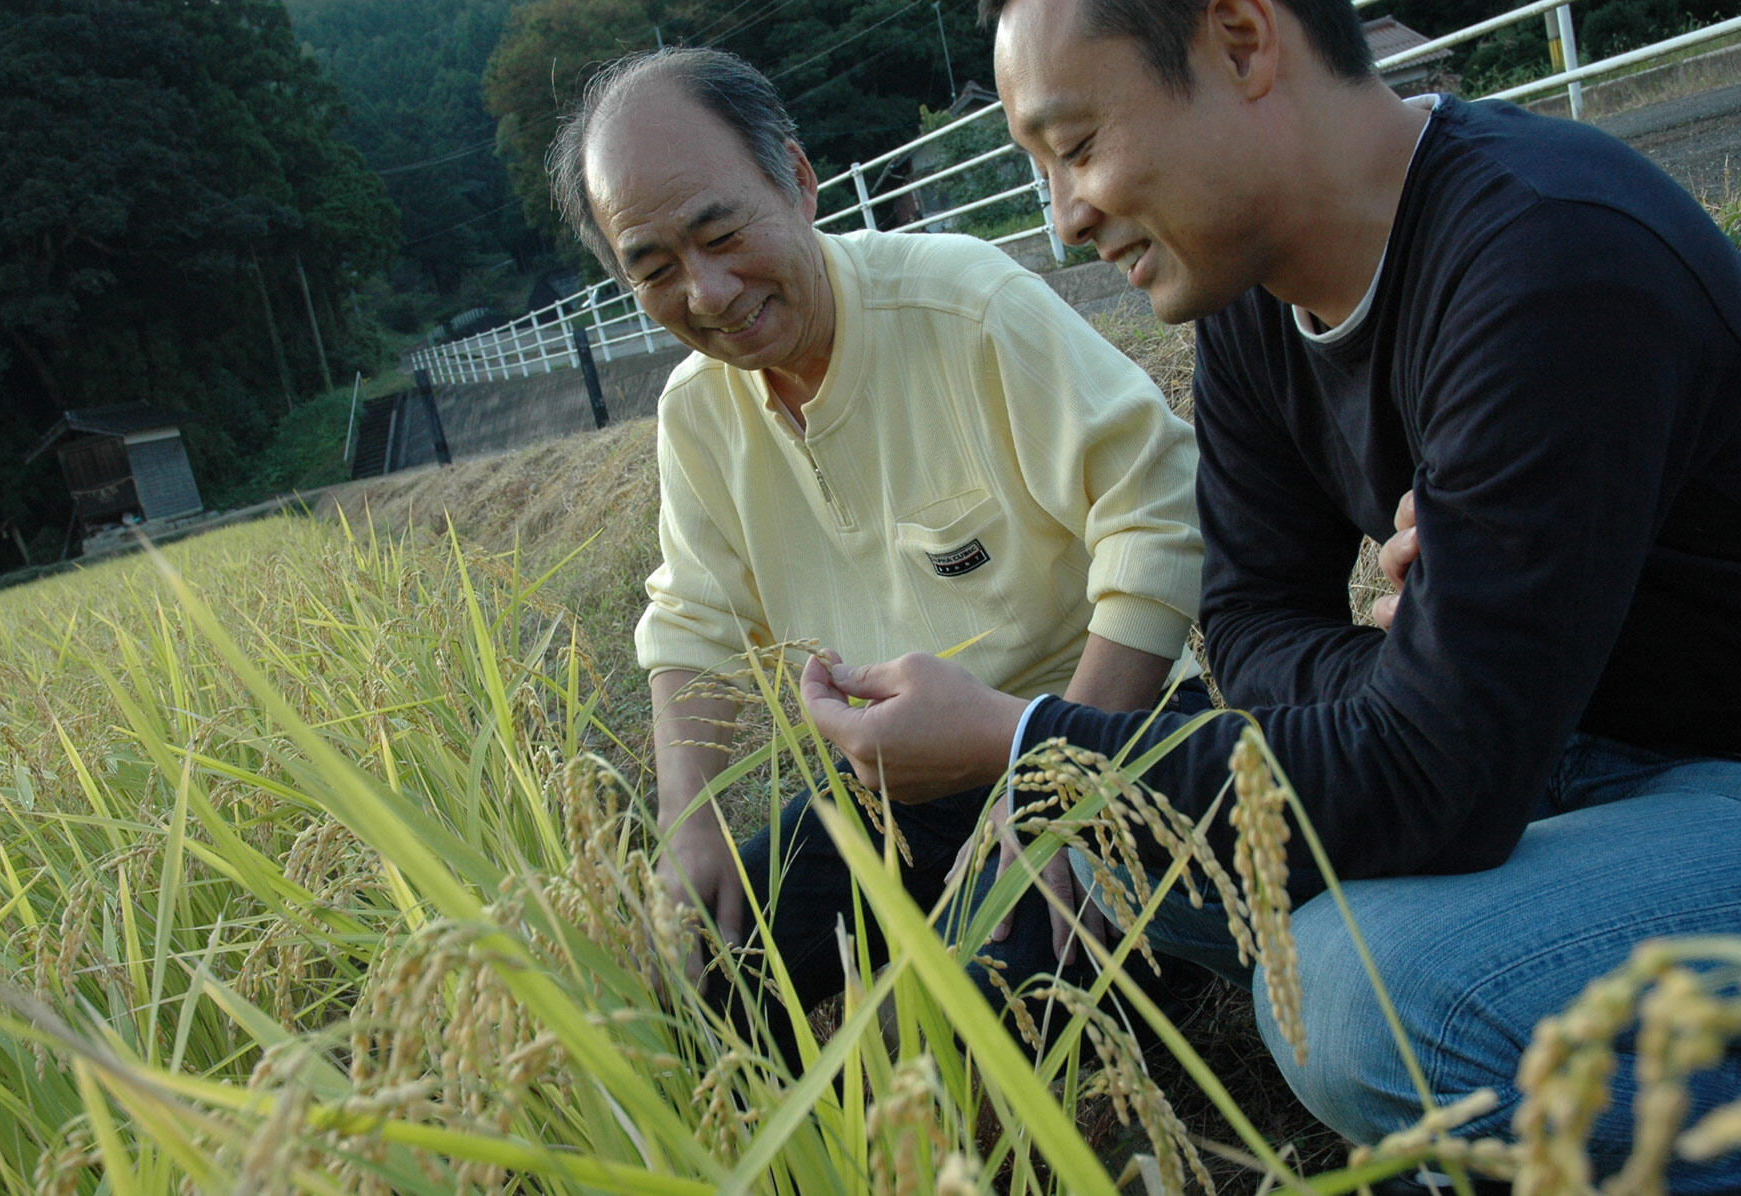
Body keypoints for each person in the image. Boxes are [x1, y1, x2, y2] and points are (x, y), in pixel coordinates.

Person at [801, 0, 1741, 1186]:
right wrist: (1415, 675)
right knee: (1112, 836)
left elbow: (1436, 779)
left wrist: (1027, 740)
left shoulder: (1549, 258)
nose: (1063, 217)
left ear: (1242, 42)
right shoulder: (1251, 293)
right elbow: (1246, 625)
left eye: (1078, 147)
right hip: (1543, 755)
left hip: (1702, 778)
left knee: (1353, 999)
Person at [546, 47, 1205, 1051]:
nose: (710, 291)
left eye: (721, 234)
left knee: (1004, 1014)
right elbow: (693, 624)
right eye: (657, 269)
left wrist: (1056, 780)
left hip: (1109, 728)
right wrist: (692, 822)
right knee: (684, 975)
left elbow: (1158, 507)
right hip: (911, 783)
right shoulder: (698, 416)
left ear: (799, 181)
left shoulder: (965, 304)